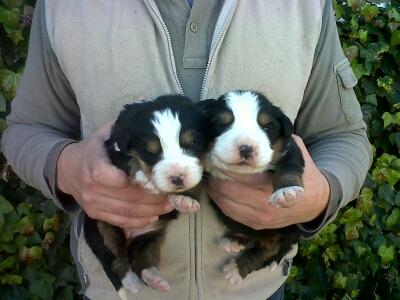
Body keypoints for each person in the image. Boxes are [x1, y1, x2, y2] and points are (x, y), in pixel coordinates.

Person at [2, 0, 372, 299]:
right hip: (116, 287)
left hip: (257, 290)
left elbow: (344, 135)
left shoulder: (306, 5)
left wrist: (321, 194)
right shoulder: (64, 6)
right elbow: (26, 130)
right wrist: (65, 168)